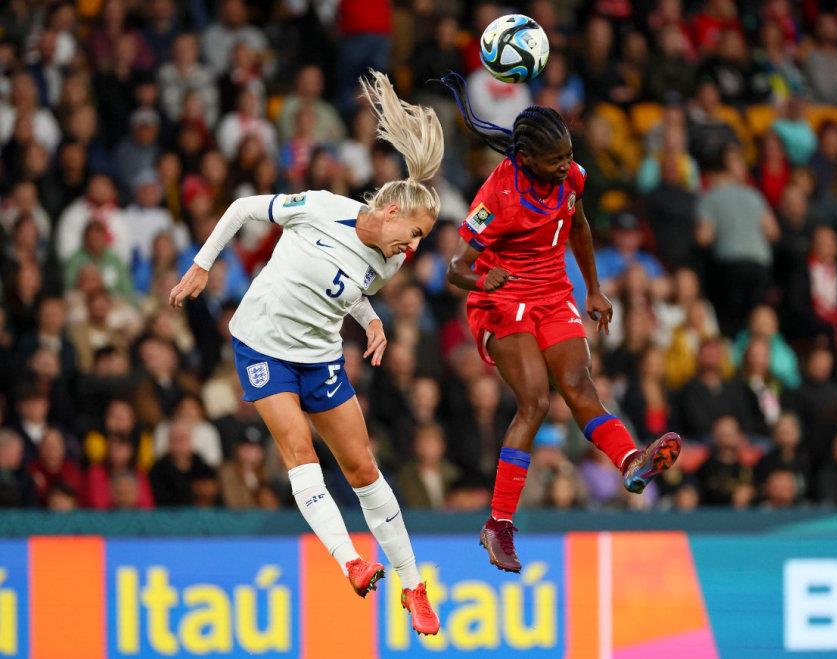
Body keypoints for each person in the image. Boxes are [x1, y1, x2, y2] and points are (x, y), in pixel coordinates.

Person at [169, 71, 440, 636]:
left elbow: (348, 289)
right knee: (299, 452)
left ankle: (413, 586)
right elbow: (242, 207)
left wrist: (371, 320)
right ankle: (351, 562)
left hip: (320, 357)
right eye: (413, 233)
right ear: (391, 211)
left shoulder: (390, 261)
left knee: (363, 468)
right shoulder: (319, 207)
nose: (413, 247)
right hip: (261, 345)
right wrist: (201, 264)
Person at [440, 72, 681, 574]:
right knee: (534, 401)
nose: (566, 165)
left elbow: (580, 226)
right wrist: (483, 280)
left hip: (553, 294)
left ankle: (632, 463)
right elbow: (455, 268)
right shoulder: (496, 195)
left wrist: (593, 288)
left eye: (569, 154)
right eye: (556, 160)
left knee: (580, 386)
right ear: (527, 159)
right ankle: (498, 524)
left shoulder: (573, 178)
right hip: (503, 297)